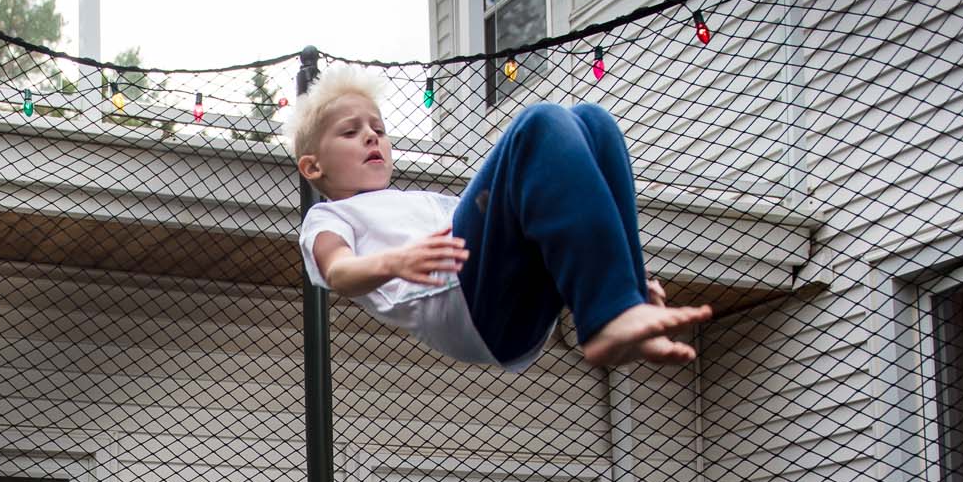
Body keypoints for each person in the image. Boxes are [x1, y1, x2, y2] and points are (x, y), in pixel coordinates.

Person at [292, 64, 709, 372]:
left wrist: (613, 273)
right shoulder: (330, 217)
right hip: (464, 302)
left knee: (594, 123)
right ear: (312, 167)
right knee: (538, 125)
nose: (371, 136)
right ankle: (613, 314)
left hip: (516, 313)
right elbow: (340, 271)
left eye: (378, 129)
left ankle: (627, 307)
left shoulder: (420, 202)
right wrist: (393, 262)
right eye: (350, 132)